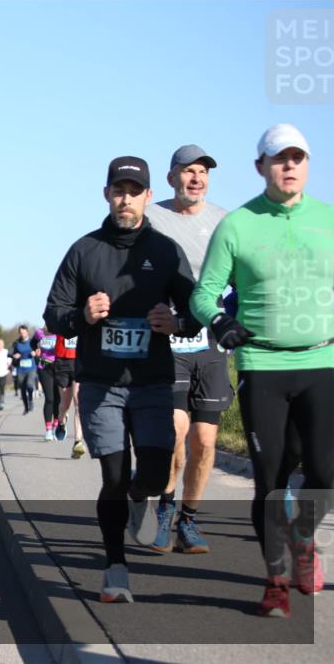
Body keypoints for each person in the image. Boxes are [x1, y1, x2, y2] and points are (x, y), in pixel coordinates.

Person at [44, 156, 202, 604]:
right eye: (119, 190)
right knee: (112, 476)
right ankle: (116, 569)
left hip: (152, 380)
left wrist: (175, 321)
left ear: (149, 196)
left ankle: (141, 497)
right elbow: (53, 314)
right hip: (101, 383)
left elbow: (195, 311)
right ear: (107, 194)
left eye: (135, 190)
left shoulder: (165, 250)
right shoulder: (84, 250)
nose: (126, 198)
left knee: (152, 475)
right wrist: (81, 315)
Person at [191, 124, 334, 618]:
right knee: (270, 479)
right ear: (261, 166)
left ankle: (302, 537)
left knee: (325, 472)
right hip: (263, 364)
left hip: (322, 360)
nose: (289, 166)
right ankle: (275, 580)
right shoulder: (239, 225)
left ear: (308, 164)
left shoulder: (328, 220)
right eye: (279, 158)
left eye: (298, 157)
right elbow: (203, 294)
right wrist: (220, 320)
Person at [146, 144, 234, 555]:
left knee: (204, 441)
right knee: (175, 431)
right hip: (167, 338)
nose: (196, 178)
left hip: (210, 338)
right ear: (171, 178)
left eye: (202, 172)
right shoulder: (152, 217)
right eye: (187, 171)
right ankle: (164, 508)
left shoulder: (225, 221)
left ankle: (190, 520)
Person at [54, 334, 87, 459]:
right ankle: (61, 421)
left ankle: (77, 442)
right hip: (62, 361)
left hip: (79, 360)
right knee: (65, 405)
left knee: (78, 402)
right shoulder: (61, 315)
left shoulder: (84, 315)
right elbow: (47, 328)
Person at [34, 325, 60, 440]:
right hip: (44, 366)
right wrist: (35, 351)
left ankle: (56, 425)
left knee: (58, 399)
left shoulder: (60, 330)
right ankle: (48, 430)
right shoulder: (40, 332)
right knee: (49, 398)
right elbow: (32, 343)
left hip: (60, 367)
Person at [10, 325, 37, 414]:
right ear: (19, 333)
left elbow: (39, 351)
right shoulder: (16, 343)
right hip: (21, 369)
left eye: (24, 332)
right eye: (21, 333)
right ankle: (26, 407)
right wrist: (14, 356)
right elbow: (10, 353)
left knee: (30, 385)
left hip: (31, 368)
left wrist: (35, 353)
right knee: (22, 389)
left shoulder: (32, 342)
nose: (22, 334)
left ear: (27, 332)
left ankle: (31, 399)